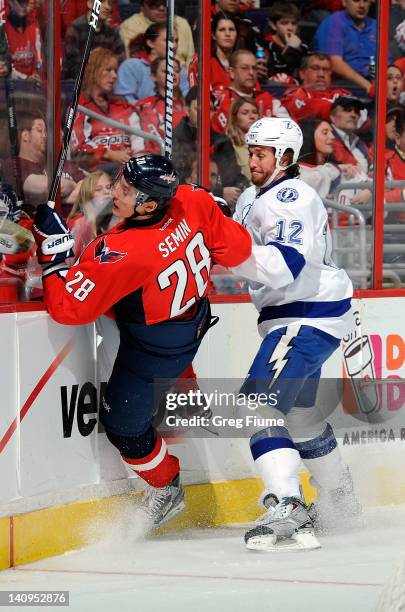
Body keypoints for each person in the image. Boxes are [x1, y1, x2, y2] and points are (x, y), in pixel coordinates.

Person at [31, 154, 252, 530]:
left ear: (150, 204)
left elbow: (70, 309)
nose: (116, 191)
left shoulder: (124, 252)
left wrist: (54, 256)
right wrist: (216, 216)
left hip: (155, 348)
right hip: (193, 320)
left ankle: (167, 487)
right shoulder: (192, 199)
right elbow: (239, 250)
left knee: (122, 425)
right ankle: (187, 389)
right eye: (119, 181)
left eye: (127, 190)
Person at [229, 117, 358, 551]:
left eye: (261, 153)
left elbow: (285, 265)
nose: (253, 160)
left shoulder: (291, 196)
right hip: (298, 314)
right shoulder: (252, 196)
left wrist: (227, 246)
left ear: (285, 157)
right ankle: (340, 497)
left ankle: (287, 505)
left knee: (256, 403)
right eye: (251, 152)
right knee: (299, 414)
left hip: (304, 314)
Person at [173, 86, 248, 209]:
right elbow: (177, 182)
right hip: (185, 206)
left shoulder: (222, 141)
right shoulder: (175, 139)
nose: (205, 114)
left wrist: (243, 188)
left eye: (210, 109)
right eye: (198, 109)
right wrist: (219, 192)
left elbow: (234, 176)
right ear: (187, 110)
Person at [70, 47, 143, 173]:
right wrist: (108, 154)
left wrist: (137, 160)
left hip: (129, 168)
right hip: (95, 174)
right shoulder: (80, 108)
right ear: (93, 71)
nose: (114, 76)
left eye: (115, 71)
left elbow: (139, 145)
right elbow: (78, 154)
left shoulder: (124, 107)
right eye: (108, 70)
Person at [2, 111, 84, 218]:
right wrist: (74, 185)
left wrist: (56, 197)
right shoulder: (14, 164)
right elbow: (47, 188)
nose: (45, 135)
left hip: (74, 222)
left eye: (45, 131)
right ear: (25, 136)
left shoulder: (59, 163)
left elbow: (89, 187)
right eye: (40, 130)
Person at [313, 0, 388, 94]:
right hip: (342, 86)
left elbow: (386, 63)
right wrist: (368, 86)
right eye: (356, 1)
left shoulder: (376, 26)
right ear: (344, 2)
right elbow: (335, 63)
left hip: (374, 83)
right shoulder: (334, 22)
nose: (362, 5)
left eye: (365, 1)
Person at [212, 49, 289, 134]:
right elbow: (234, 136)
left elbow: (288, 129)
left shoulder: (267, 98)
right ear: (232, 73)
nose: (251, 73)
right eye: (244, 68)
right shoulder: (225, 101)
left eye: (254, 68)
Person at [114, 22, 189, 104]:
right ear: (150, 43)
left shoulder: (180, 71)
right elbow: (124, 101)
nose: (174, 45)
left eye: (176, 41)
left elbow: (187, 102)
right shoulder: (131, 66)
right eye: (168, 40)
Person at [133, 57, 186, 155]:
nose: (172, 73)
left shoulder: (189, 106)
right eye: (166, 71)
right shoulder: (143, 106)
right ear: (153, 76)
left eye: (176, 71)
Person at [62, 0, 125, 80]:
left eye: (109, 3)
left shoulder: (112, 33)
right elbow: (72, 66)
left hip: (105, 83)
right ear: (90, 4)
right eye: (102, 2)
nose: (107, 7)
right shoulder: (75, 29)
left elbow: (121, 60)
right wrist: (95, 61)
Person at [119, 0, 194, 67]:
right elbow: (129, 63)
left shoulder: (182, 24)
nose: (161, 8)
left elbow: (191, 61)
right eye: (154, 3)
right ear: (142, 6)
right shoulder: (129, 26)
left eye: (166, 3)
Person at [281, 53, 351, 123]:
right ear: (302, 74)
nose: (321, 74)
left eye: (326, 70)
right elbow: (306, 109)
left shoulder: (340, 93)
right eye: (315, 68)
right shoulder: (293, 94)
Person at [299, 119, 359, 199]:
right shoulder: (296, 170)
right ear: (309, 135)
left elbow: (368, 182)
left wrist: (368, 191)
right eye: (325, 133)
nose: (332, 137)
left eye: (332, 132)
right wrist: (337, 168)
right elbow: (312, 179)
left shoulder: (337, 168)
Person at [67, 171, 116, 260]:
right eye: (98, 189)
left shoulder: (116, 218)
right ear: (87, 195)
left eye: (109, 187)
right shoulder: (79, 224)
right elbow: (70, 263)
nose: (106, 192)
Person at [264, 2, 308, 85]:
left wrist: (296, 49)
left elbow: (305, 75)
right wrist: (290, 49)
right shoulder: (265, 44)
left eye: (294, 23)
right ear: (273, 25)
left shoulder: (303, 46)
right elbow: (275, 75)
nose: (290, 28)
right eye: (284, 23)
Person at [329, 95, 371, 173]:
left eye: (357, 111)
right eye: (347, 110)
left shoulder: (360, 143)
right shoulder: (327, 141)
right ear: (333, 117)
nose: (353, 115)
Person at [4, 0, 43, 80]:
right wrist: (25, 78)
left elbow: (39, 56)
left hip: (35, 83)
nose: (25, 5)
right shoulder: (4, 27)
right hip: (12, 85)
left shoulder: (33, 24)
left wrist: (36, 74)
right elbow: (5, 65)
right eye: (21, 1)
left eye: (26, 1)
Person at [226, 96, 259, 181]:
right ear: (234, 118)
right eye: (245, 113)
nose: (252, 116)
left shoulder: (267, 144)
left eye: (255, 112)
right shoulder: (228, 144)